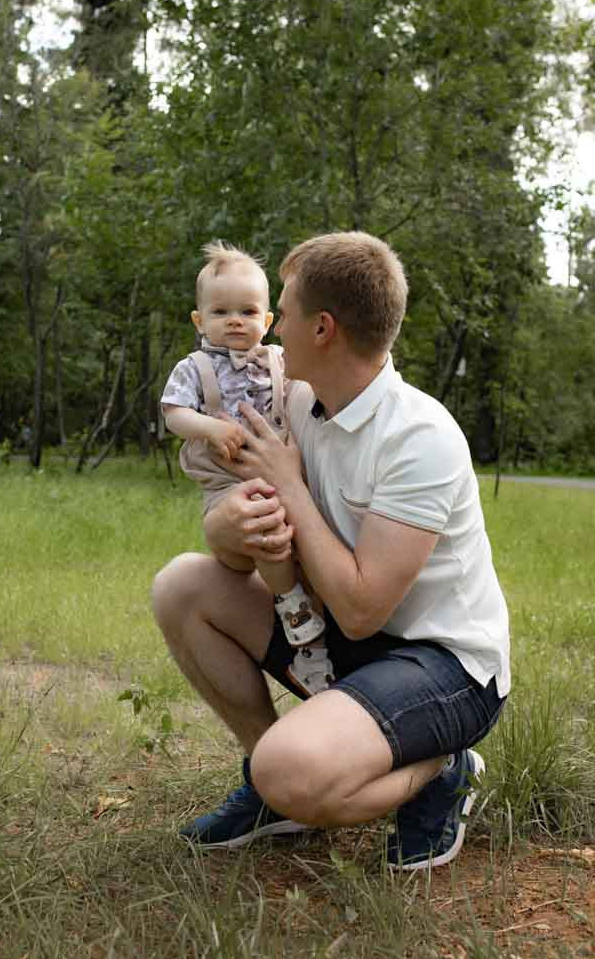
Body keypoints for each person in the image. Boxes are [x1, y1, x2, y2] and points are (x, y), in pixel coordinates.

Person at [152, 231, 509, 869]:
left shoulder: (418, 436)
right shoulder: (294, 402)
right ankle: (276, 794)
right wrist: (227, 528)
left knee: (291, 769)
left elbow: (363, 609)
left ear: (321, 330)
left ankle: (443, 769)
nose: (269, 328)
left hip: (445, 665)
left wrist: (289, 484)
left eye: (280, 313)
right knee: (183, 585)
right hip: (347, 637)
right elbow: (238, 553)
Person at [161, 241, 333, 696]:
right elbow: (173, 413)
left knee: (307, 536)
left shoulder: (279, 361)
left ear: (268, 321)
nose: (235, 321)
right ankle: (293, 611)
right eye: (221, 312)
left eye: (248, 311)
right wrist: (209, 429)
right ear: (200, 321)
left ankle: (314, 617)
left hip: (281, 475)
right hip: (226, 479)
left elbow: (304, 398)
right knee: (265, 530)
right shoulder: (194, 368)